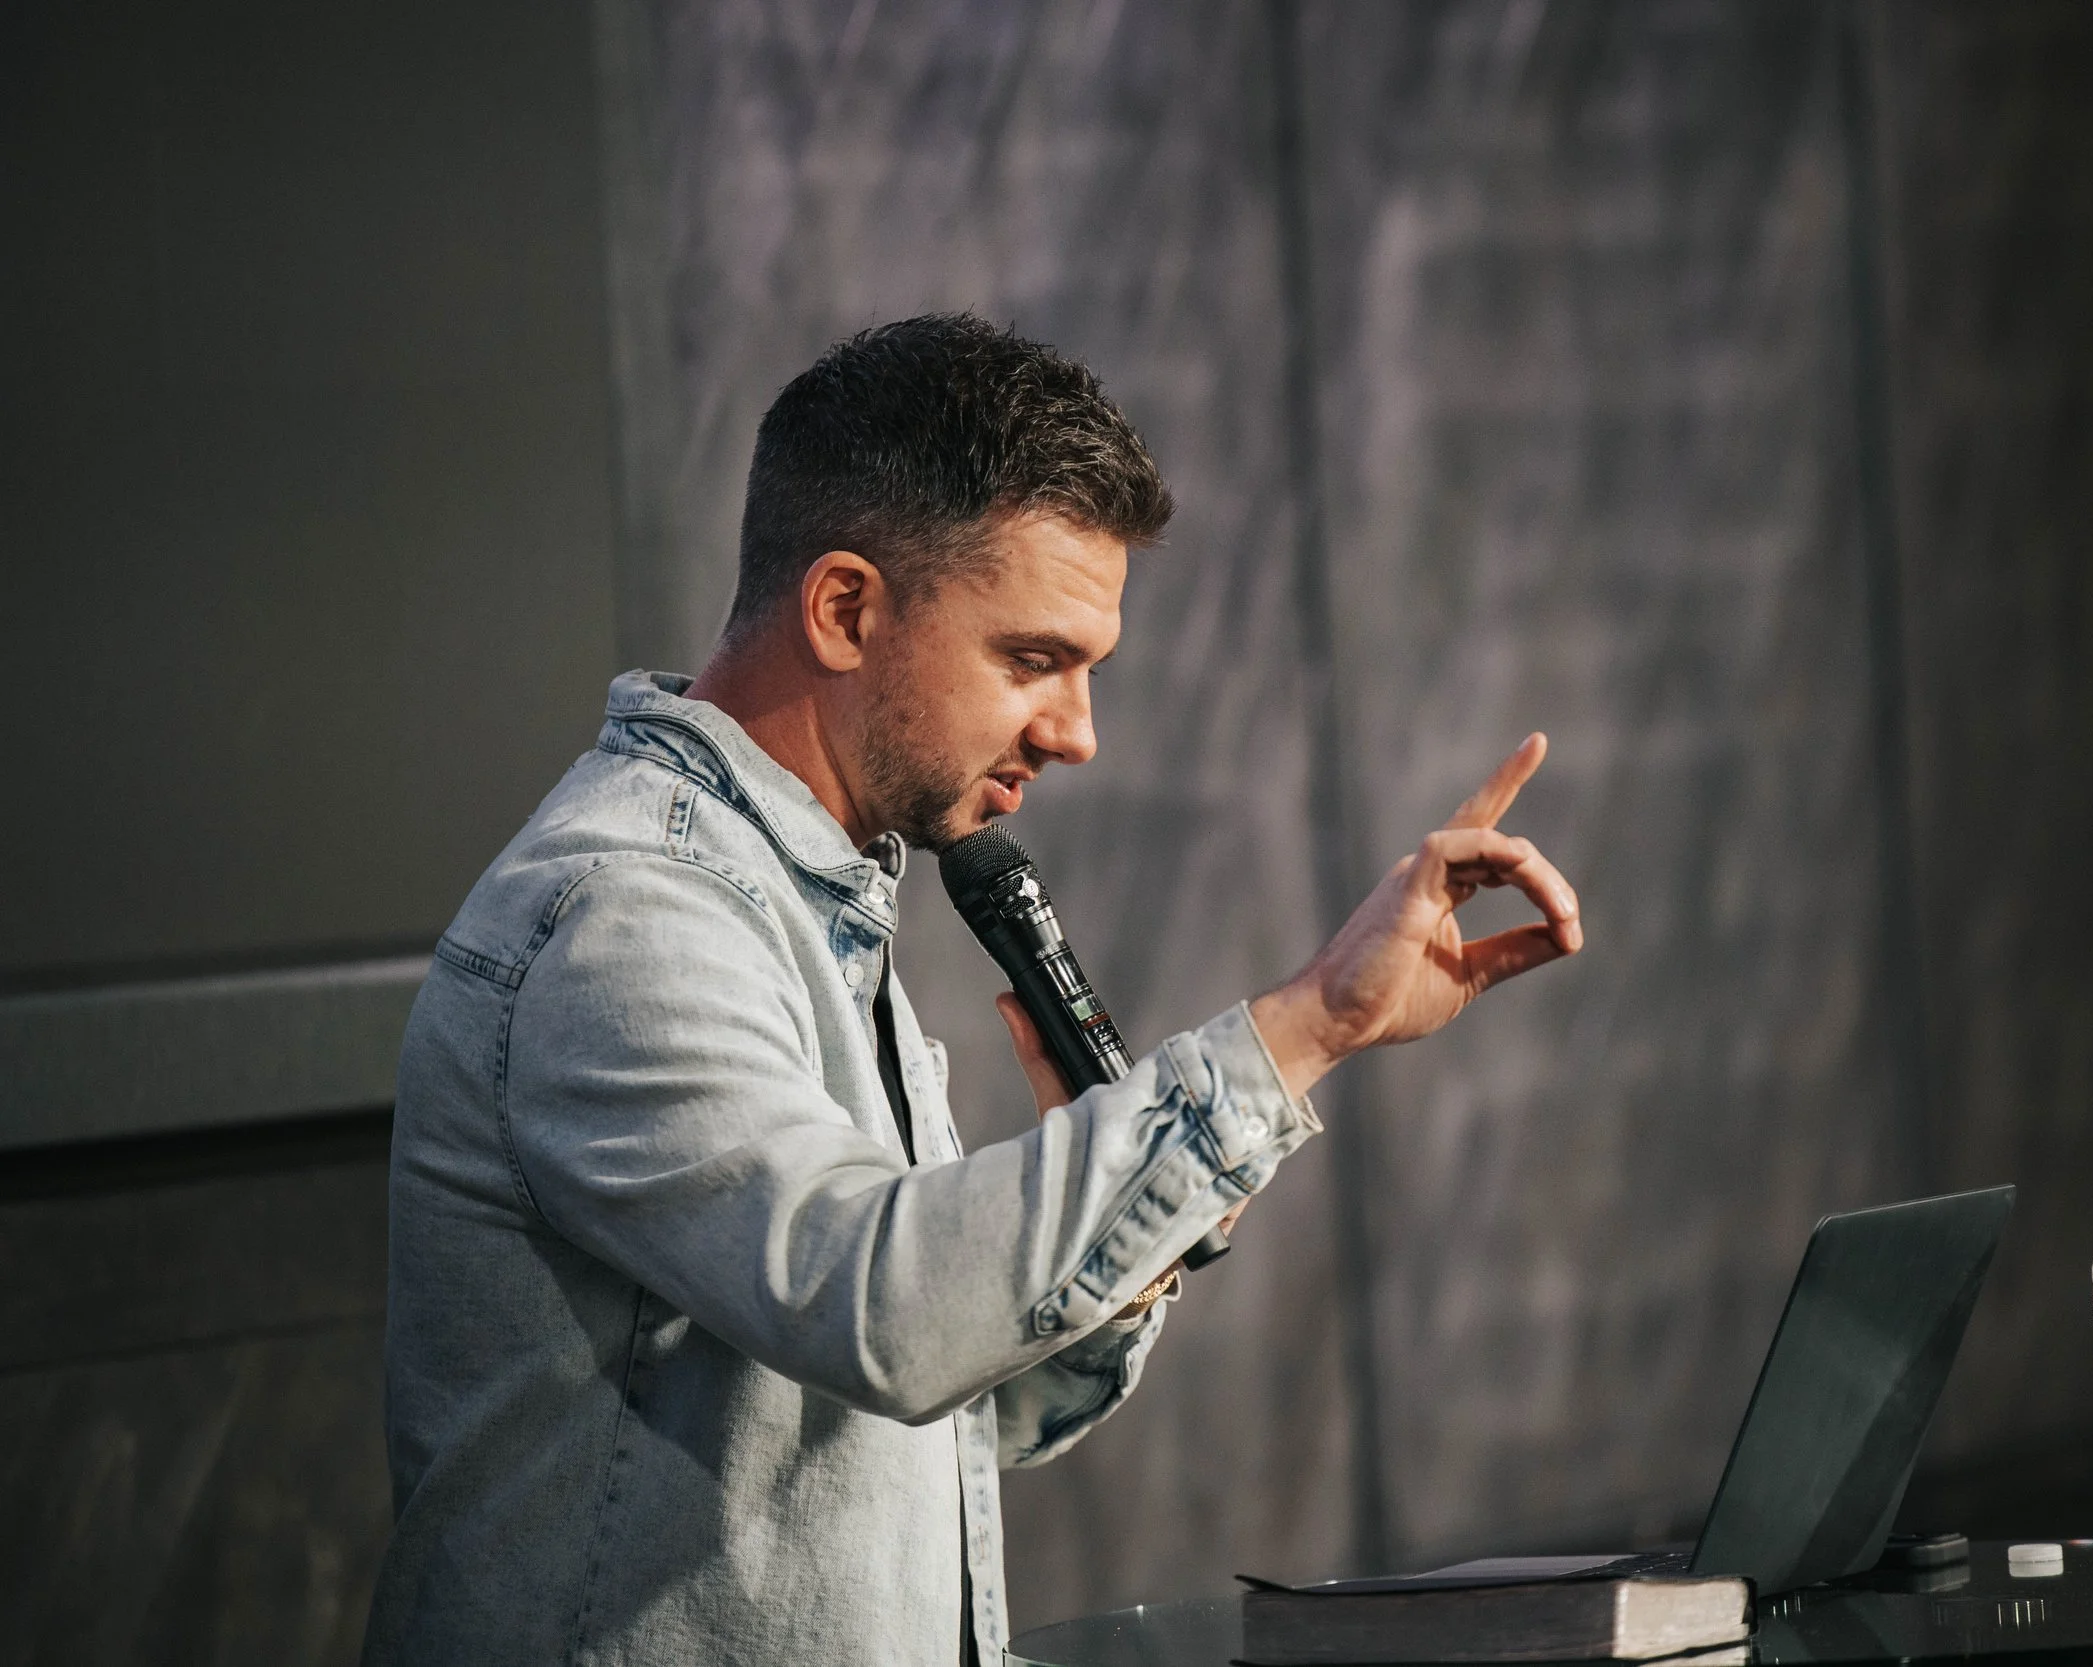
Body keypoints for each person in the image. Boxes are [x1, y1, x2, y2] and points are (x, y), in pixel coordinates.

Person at [362, 314, 1583, 1666]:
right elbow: (881, 1314)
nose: (1078, 733)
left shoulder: (808, 892)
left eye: (1087, 671)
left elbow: (934, 1423)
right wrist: (1309, 1024)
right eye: (1033, 659)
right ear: (845, 609)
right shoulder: (628, 917)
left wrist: (1115, 1242)